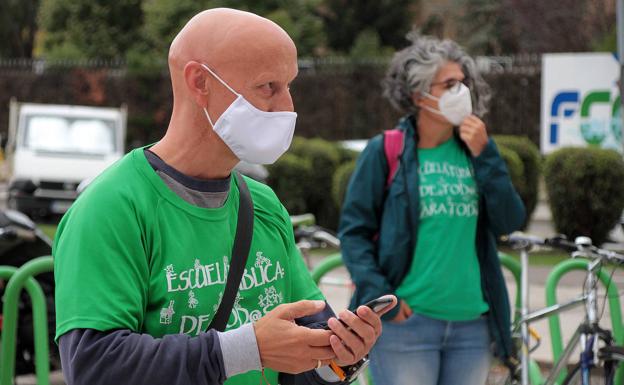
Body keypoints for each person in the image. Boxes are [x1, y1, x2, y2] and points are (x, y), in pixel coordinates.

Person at [53, 8, 396, 385]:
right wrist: (248, 349)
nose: (287, 107)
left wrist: (339, 354)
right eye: (268, 86)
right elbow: (94, 367)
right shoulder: (111, 208)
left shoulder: (264, 205)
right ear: (200, 81)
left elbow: (304, 347)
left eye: (289, 86)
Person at [338, 33, 525, 385]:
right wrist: (381, 295)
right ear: (418, 95)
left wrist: (487, 155)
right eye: (450, 84)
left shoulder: (477, 149)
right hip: (407, 326)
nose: (462, 92)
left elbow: (510, 220)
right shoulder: (386, 150)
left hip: (473, 325)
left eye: (464, 82)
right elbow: (354, 232)